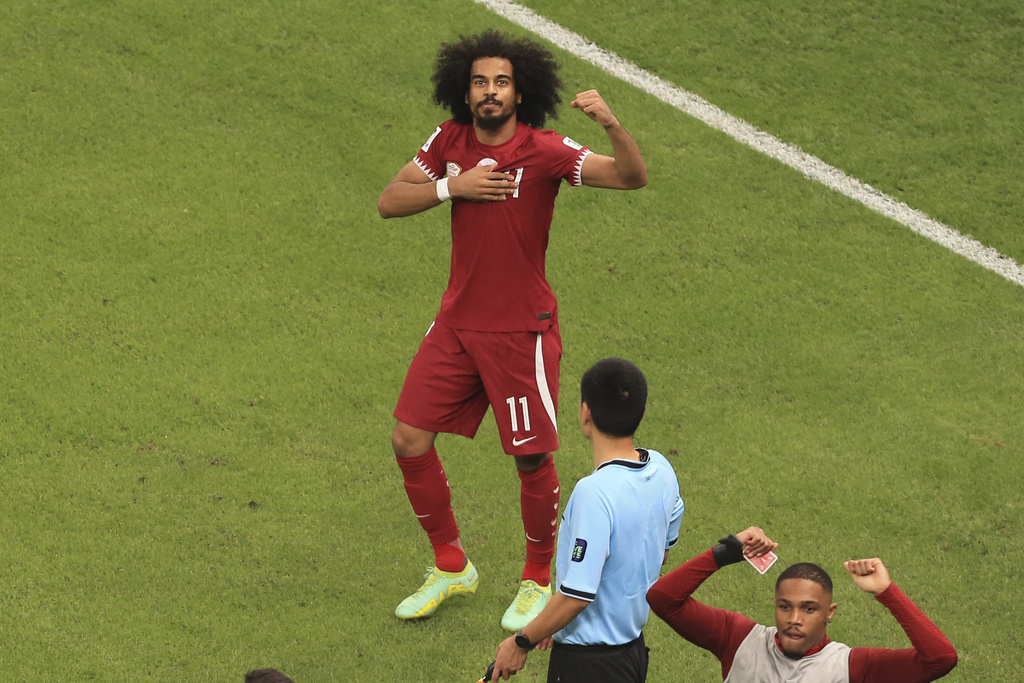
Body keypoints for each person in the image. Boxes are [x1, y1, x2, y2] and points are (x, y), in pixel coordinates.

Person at [378, 28, 648, 632]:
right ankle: (451, 566)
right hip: (456, 324)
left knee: (530, 460)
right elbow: (390, 200)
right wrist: (454, 185)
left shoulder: (545, 149)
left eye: (500, 82)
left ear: (520, 92)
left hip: (520, 333)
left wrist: (611, 124)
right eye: (480, 82)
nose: (489, 92)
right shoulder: (448, 141)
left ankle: (535, 578)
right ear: (464, 90)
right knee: (408, 438)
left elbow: (631, 176)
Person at [489, 358, 684, 682]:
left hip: (588, 667)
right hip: (633, 654)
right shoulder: (662, 469)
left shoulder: (593, 493)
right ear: (642, 413)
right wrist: (557, 620)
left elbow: (576, 596)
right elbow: (659, 550)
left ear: (585, 413)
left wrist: (520, 642)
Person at [646, 528, 958, 682]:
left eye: (809, 609)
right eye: (785, 606)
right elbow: (663, 599)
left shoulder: (853, 667)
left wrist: (887, 592)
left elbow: (939, 660)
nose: (794, 618)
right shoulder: (738, 638)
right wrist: (725, 553)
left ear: (829, 613)